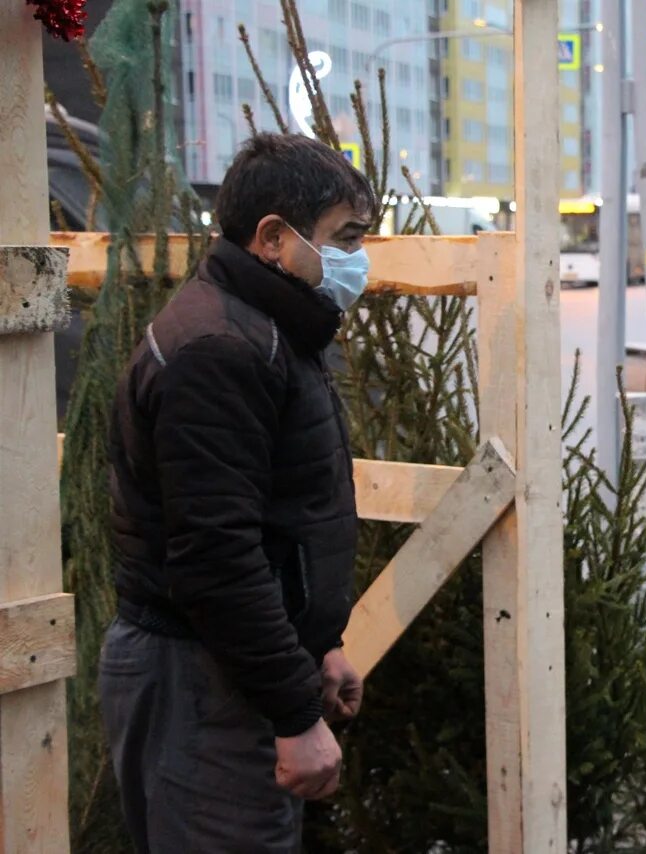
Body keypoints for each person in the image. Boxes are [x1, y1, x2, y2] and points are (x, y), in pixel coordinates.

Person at [101, 133, 375, 852]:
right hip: (199, 682)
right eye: (343, 238)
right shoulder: (220, 351)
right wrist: (293, 714)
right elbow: (217, 558)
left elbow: (280, 517)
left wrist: (319, 646)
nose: (357, 260)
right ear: (274, 239)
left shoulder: (267, 330)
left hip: (227, 672)